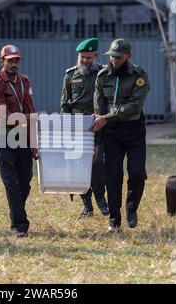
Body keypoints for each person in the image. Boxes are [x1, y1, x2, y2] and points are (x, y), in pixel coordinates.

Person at [91, 38, 150, 233]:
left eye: (118, 57)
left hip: (134, 130)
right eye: (112, 57)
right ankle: (114, 221)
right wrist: (98, 138)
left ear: (128, 56)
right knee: (113, 177)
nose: (114, 60)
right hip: (112, 133)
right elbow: (99, 110)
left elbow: (134, 105)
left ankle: (131, 209)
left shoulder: (139, 75)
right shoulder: (102, 76)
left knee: (137, 173)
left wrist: (106, 117)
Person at [0, 44, 38, 238]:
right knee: (11, 182)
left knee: (25, 181)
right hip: (3, 135)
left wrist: (34, 143)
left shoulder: (25, 81)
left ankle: (15, 212)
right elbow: (3, 117)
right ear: (2, 62)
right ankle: (20, 225)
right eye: (10, 61)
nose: (14, 64)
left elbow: (31, 110)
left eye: (17, 60)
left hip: (23, 135)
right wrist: (31, 118)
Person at [60, 37, 109, 219]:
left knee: (97, 165)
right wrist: (66, 128)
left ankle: (101, 200)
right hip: (76, 125)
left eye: (89, 57)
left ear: (95, 56)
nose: (85, 61)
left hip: (97, 124)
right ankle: (87, 206)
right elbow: (65, 104)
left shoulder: (103, 73)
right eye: (82, 57)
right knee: (78, 167)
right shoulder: (71, 75)